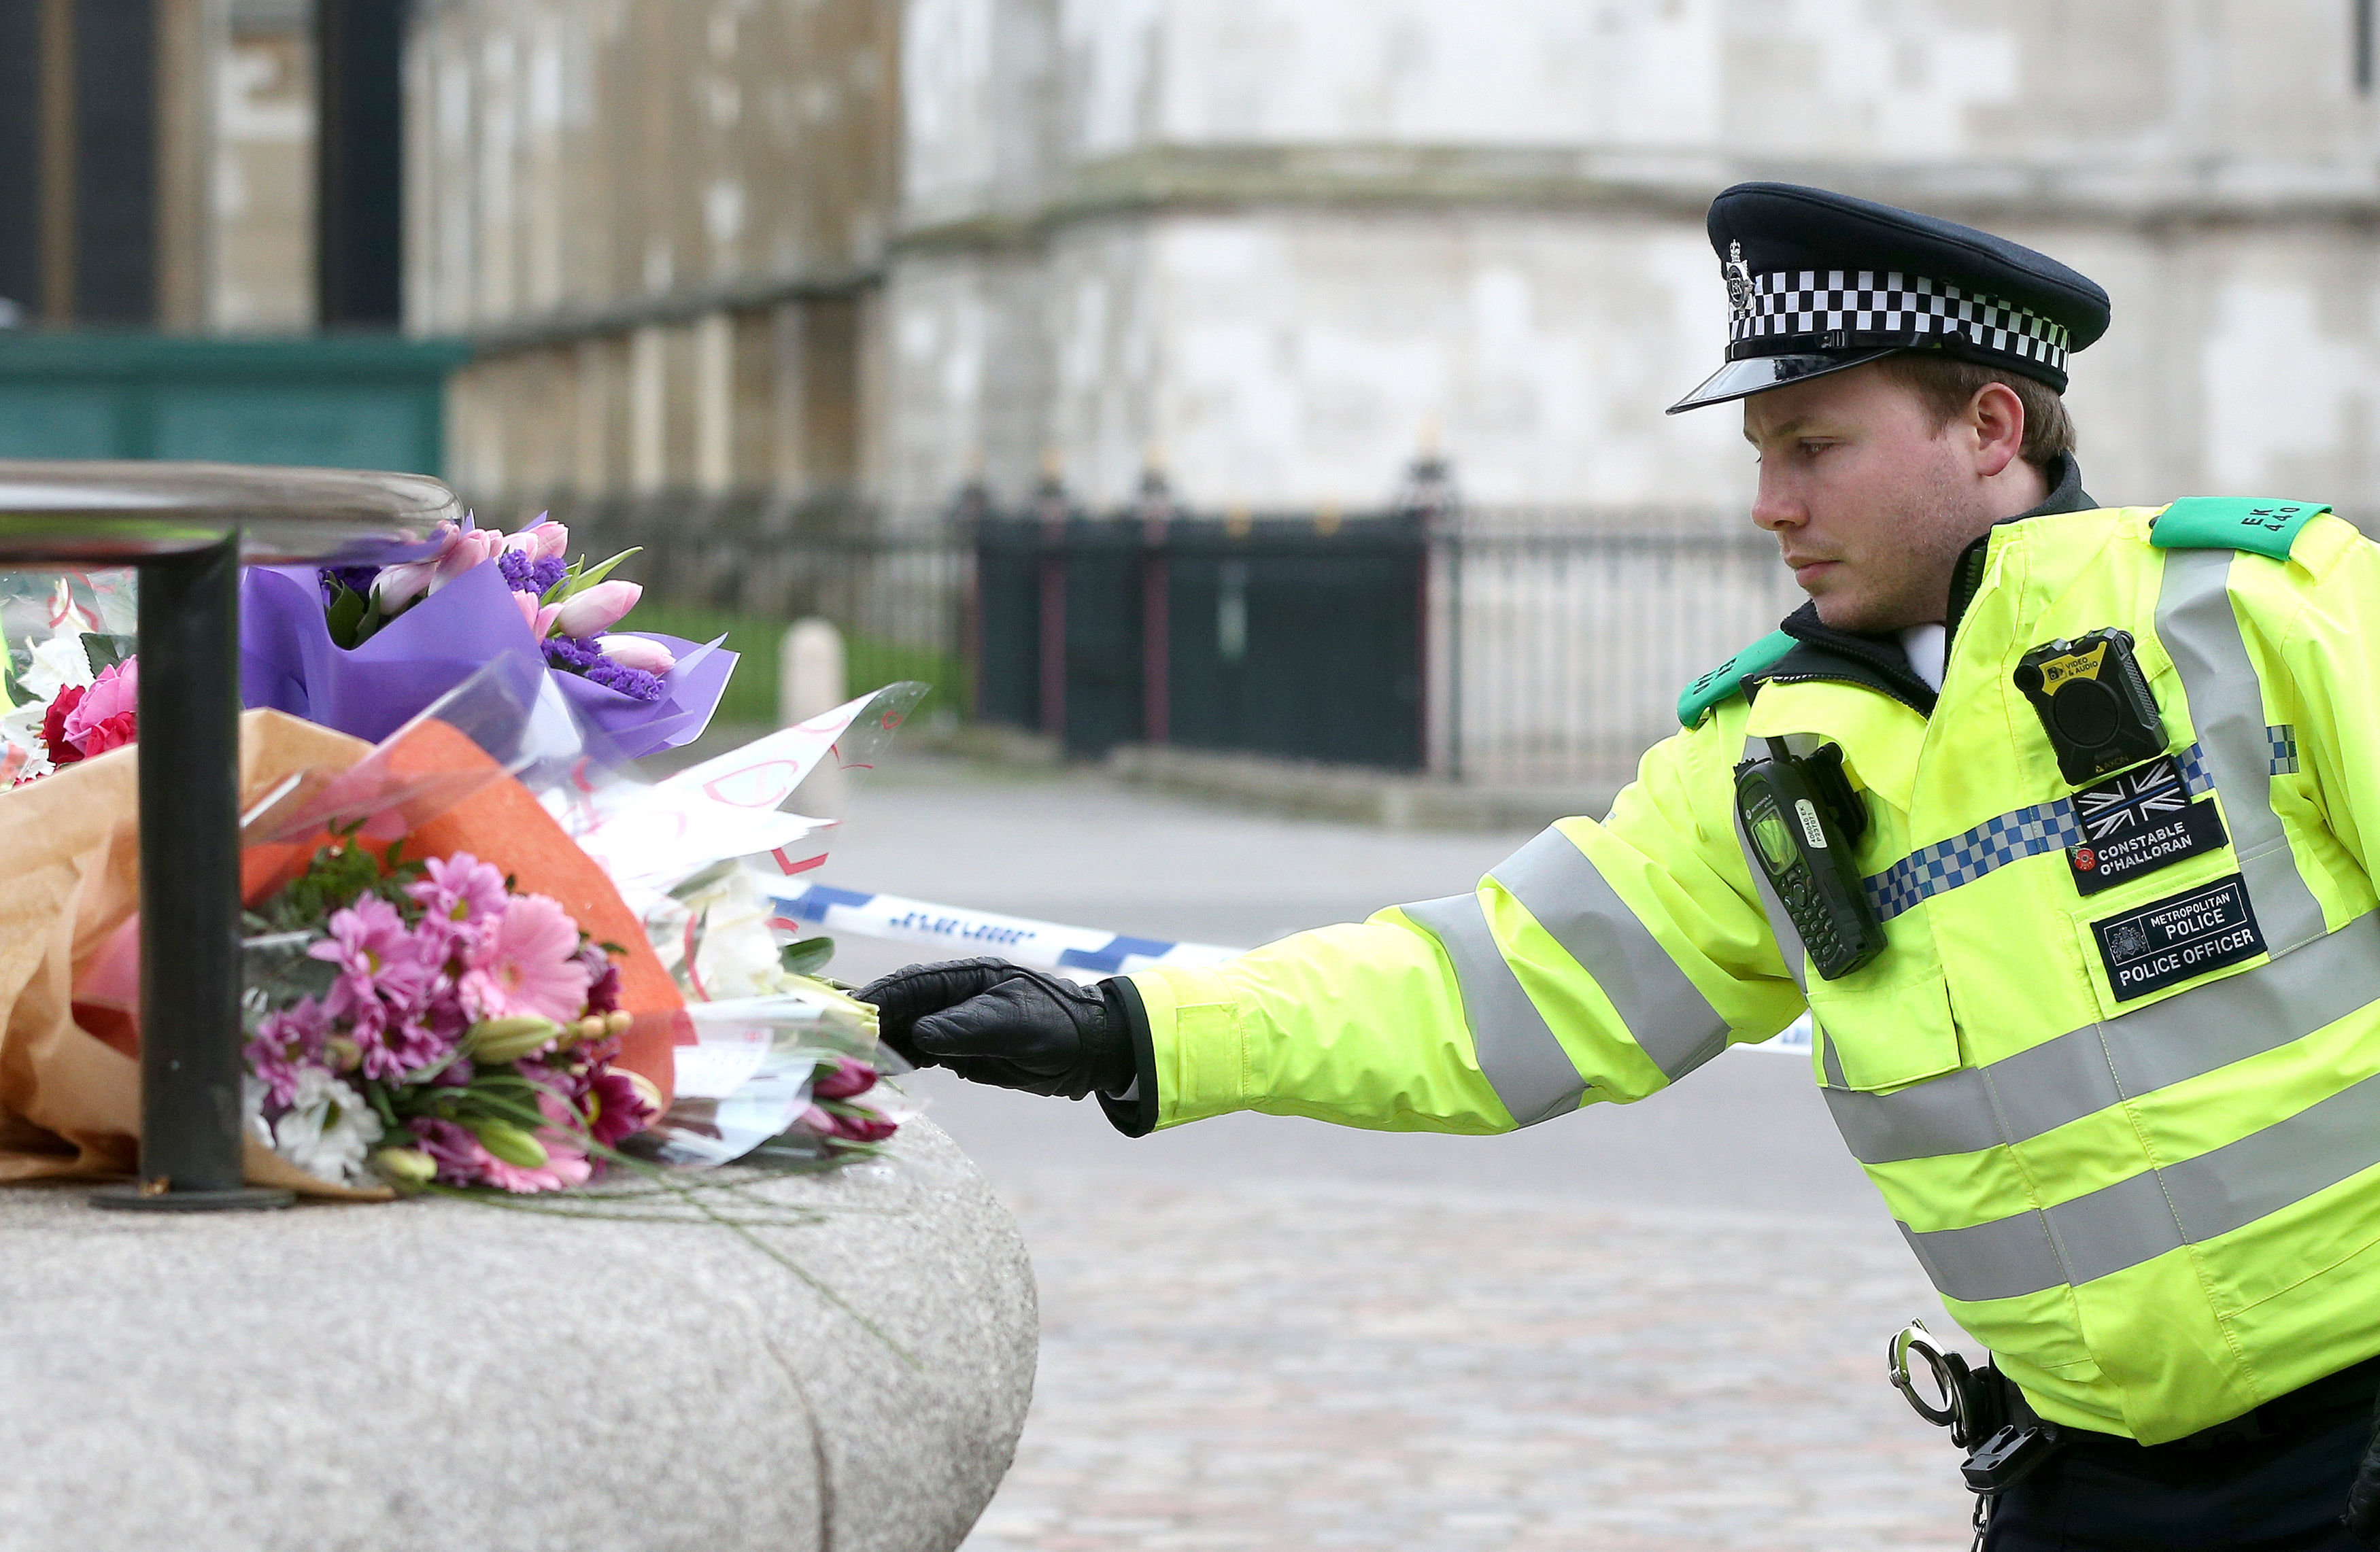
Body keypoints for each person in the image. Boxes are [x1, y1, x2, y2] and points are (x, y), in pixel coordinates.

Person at [860, 182, 2380, 1551]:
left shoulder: (2248, 612)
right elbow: (1496, 986)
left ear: (1990, 427)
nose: (1770, 502)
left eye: (1814, 446)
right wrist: (1135, 1027)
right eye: (1762, 454)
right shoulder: (1766, 756)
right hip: (2092, 1489)